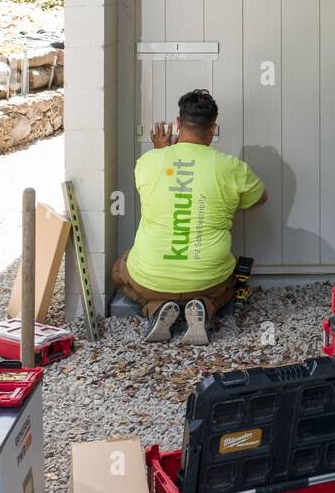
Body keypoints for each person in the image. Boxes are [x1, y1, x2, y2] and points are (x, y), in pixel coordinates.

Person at [111, 89, 267, 346]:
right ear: (213, 128)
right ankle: (206, 306)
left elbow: (157, 188)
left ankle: (156, 307)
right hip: (208, 280)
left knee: (119, 271)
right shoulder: (230, 166)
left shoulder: (148, 162)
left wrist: (162, 152)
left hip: (152, 279)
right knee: (231, 279)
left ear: (179, 123)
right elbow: (259, 199)